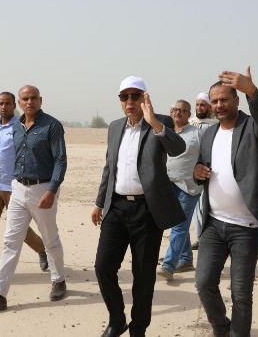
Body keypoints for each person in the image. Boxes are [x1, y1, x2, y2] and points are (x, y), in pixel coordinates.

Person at [92, 76, 186, 337]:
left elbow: (178, 148)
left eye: (135, 96)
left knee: (143, 275)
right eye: (125, 97)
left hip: (147, 210)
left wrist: (153, 120)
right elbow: (109, 168)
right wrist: (99, 203)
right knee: (103, 266)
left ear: (145, 98)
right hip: (116, 208)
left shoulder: (161, 122)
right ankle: (117, 319)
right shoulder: (114, 127)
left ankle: (138, 328)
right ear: (120, 101)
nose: (130, 101)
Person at [193, 67, 258, 337]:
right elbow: (203, 169)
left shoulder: (251, 127)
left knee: (241, 293)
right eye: (214, 101)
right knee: (204, 283)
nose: (219, 105)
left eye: (224, 100)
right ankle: (221, 328)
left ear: (237, 100)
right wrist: (197, 172)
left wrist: (252, 91)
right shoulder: (209, 134)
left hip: (247, 227)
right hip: (214, 224)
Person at [0, 85, 67, 311]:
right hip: (18, 188)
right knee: (10, 241)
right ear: (19, 103)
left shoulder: (52, 125)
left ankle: (58, 279)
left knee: (50, 238)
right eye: (25, 99)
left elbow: (60, 160)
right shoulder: (16, 127)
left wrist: (52, 190)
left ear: (40, 100)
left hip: (43, 189)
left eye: (33, 98)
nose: (29, 102)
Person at [158, 99, 203, 281]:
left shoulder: (197, 134)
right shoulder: (165, 133)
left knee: (179, 226)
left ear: (189, 114)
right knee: (176, 224)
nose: (178, 112)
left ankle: (168, 266)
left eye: (183, 110)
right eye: (175, 109)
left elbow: (206, 157)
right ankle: (185, 260)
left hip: (188, 187)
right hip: (168, 186)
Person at [189, 92, 218, 250]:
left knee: (206, 206)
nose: (199, 107)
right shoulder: (191, 123)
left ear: (209, 107)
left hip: (209, 171)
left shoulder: (215, 125)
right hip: (192, 173)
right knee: (196, 209)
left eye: (203, 105)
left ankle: (206, 239)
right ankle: (200, 237)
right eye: (197, 104)